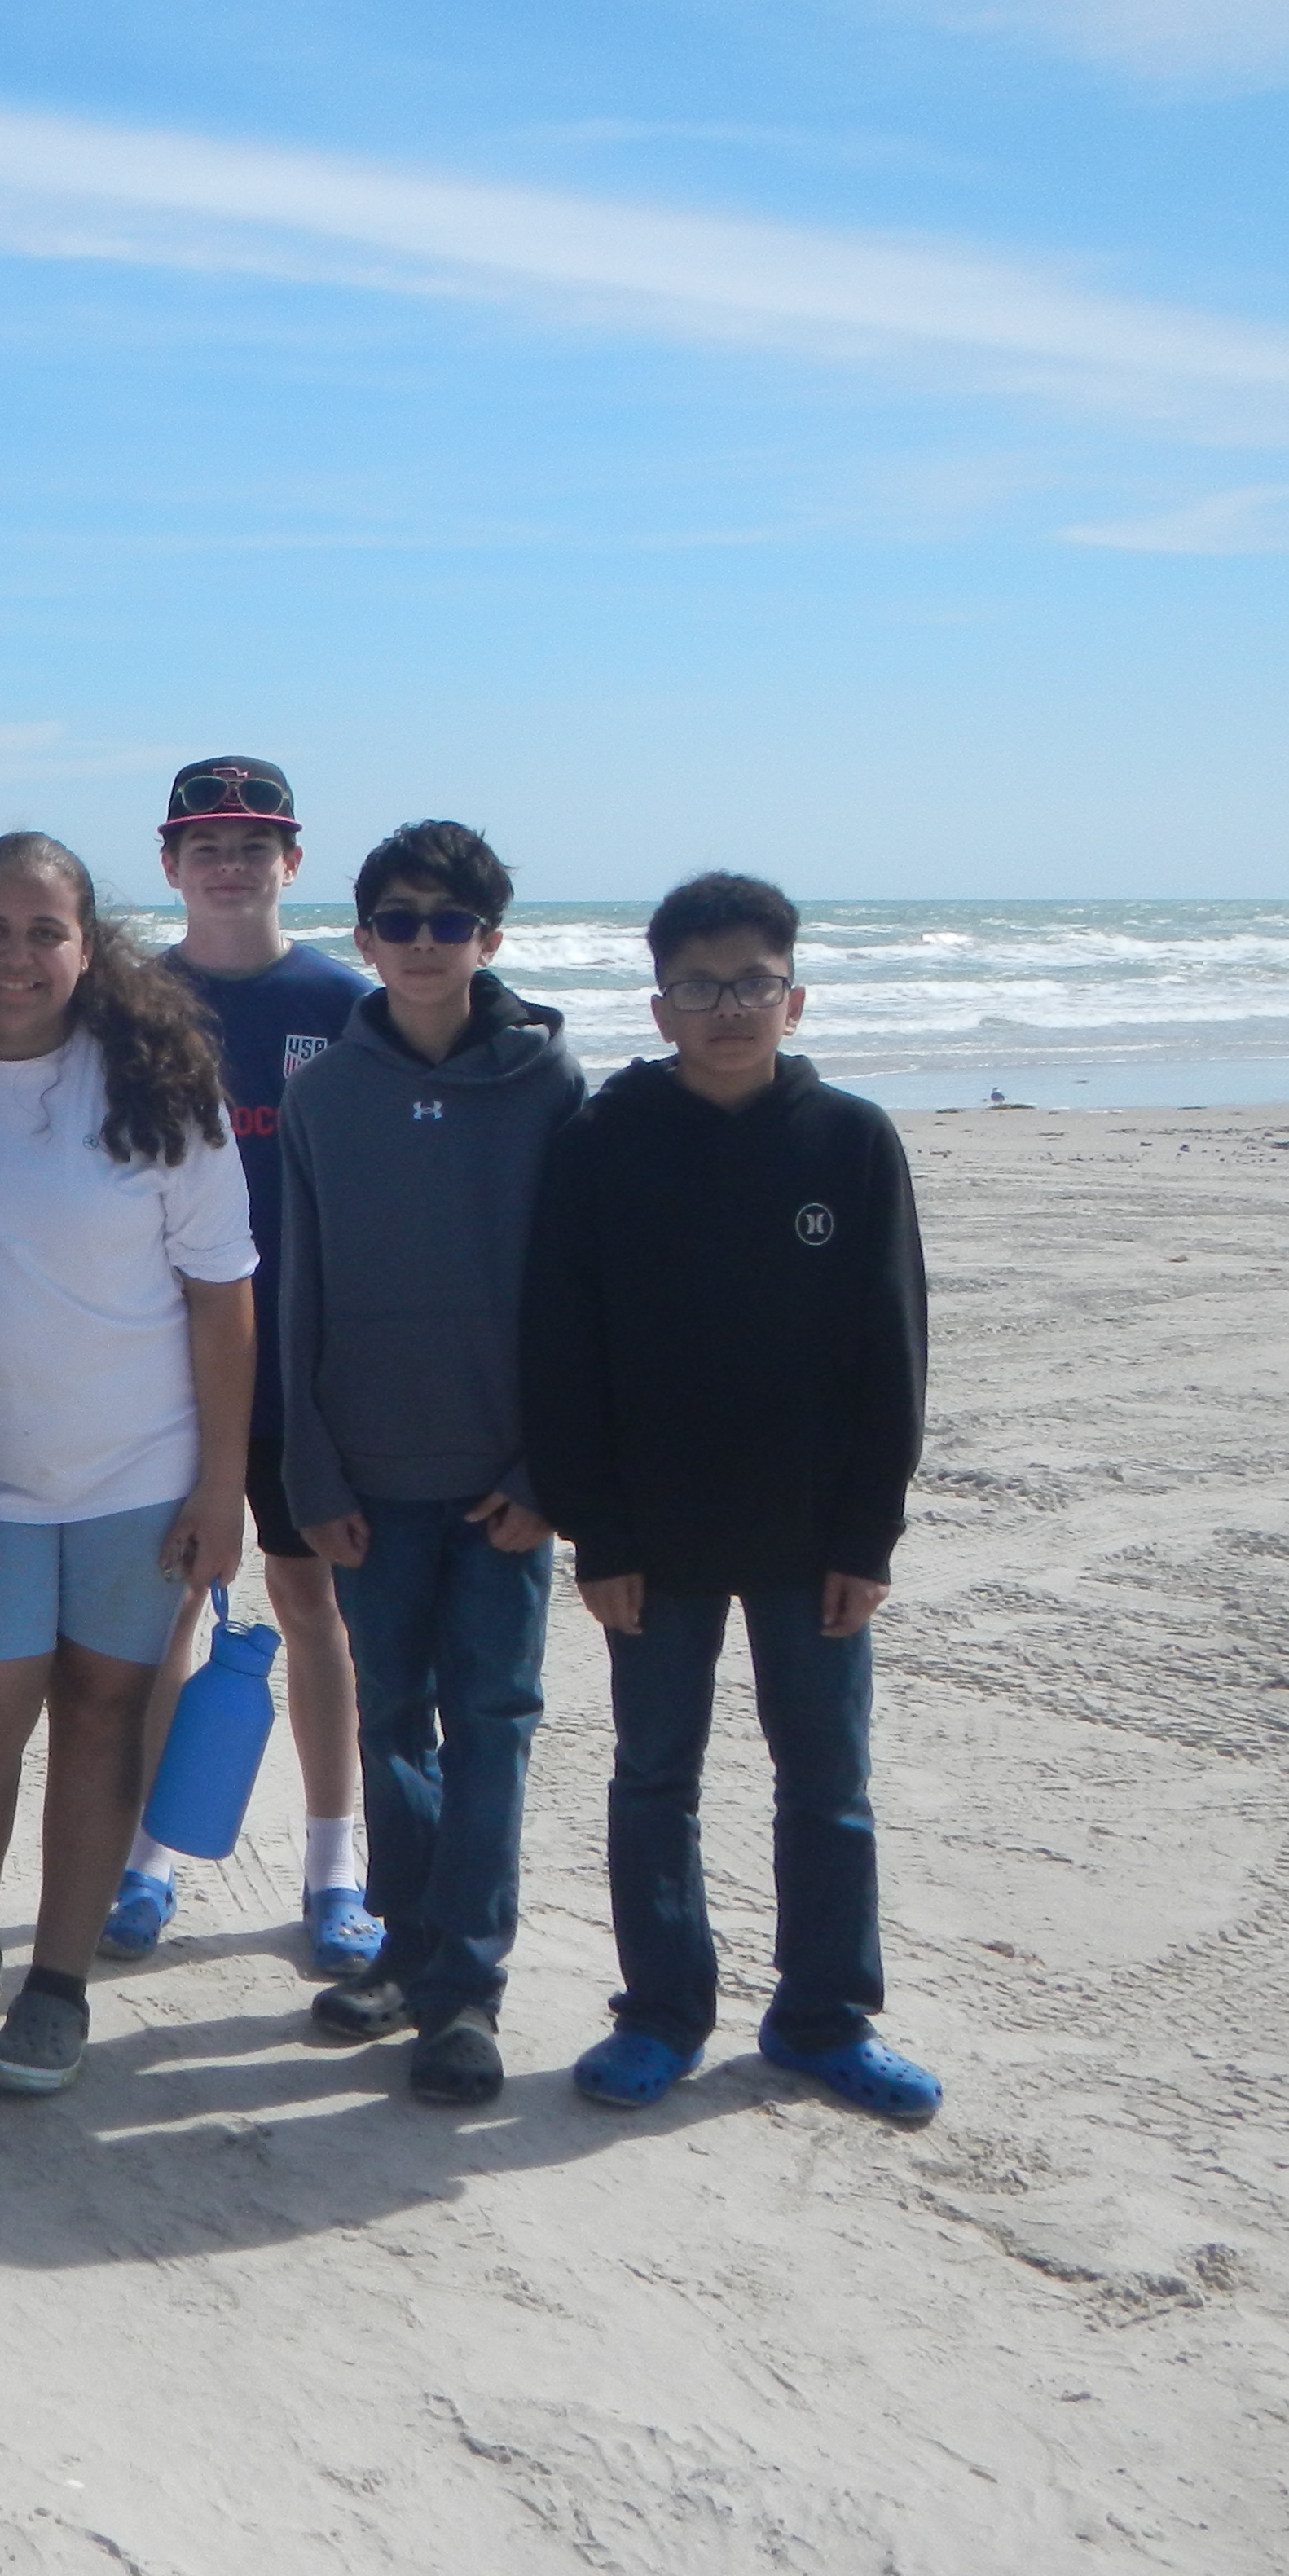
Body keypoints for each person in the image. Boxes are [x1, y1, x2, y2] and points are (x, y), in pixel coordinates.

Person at [522, 873, 939, 2121]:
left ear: (794, 996)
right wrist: (597, 1530)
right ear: (660, 1009)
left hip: (817, 1540)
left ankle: (824, 2017)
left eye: (753, 982)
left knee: (828, 1781)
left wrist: (870, 1534)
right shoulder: (602, 1141)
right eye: (701, 987)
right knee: (656, 1775)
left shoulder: (852, 1142)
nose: (729, 1008)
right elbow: (562, 1347)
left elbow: (894, 1351)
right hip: (654, 1538)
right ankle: (661, 2012)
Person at [0, 833, 258, 2096]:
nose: (16, 956)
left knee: (101, 1721)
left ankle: (60, 1983)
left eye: (44, 931)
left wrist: (223, 1488)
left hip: (143, 1474)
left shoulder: (160, 1086)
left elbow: (224, 1296)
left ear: (89, 946)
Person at [278, 823, 583, 2106]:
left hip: (506, 1484)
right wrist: (314, 1472)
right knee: (391, 1718)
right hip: (369, 1477)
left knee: (493, 1730)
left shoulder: (553, 1089)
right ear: (363, 939)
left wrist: (548, 1468)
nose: (420, 944)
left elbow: (583, 1299)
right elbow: (297, 1294)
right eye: (396, 922)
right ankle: (404, 1953)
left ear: (489, 941)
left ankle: (466, 1991)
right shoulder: (320, 1095)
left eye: (448, 923)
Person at [104, 758, 380, 1978]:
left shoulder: (351, 1001)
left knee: (313, 1606)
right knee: (165, 1613)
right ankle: (149, 1861)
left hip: (309, 1371)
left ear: (292, 861)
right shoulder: (125, 1001)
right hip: (167, 1372)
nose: (230, 864)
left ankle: (335, 1867)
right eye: (206, 843)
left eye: (253, 844)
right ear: (170, 864)